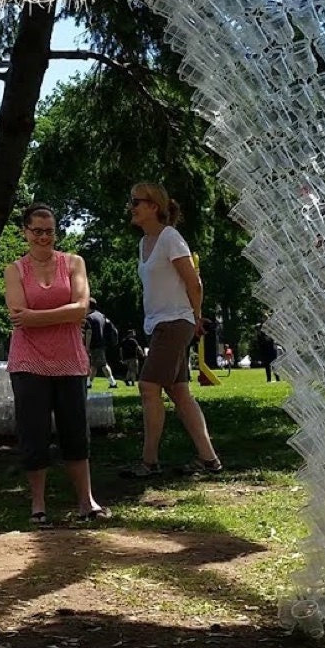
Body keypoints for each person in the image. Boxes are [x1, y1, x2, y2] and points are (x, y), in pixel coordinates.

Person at [3, 204, 108, 527]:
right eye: (37, 231)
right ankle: (38, 504)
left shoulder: (74, 263)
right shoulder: (14, 270)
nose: (44, 237)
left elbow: (81, 309)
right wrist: (59, 314)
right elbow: (18, 314)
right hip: (28, 362)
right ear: (25, 232)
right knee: (33, 433)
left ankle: (86, 500)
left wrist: (38, 317)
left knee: (76, 432)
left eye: (49, 230)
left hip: (70, 360)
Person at [121, 182, 222, 477]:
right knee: (179, 392)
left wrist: (196, 318)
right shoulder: (144, 243)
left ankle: (148, 462)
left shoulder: (170, 238)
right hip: (160, 324)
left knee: (148, 386)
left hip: (175, 323)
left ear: (154, 206)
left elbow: (195, 283)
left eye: (136, 201)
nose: (132, 207)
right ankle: (209, 460)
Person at [84, 298, 124, 391]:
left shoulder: (89, 317)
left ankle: (112, 383)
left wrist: (87, 347)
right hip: (102, 343)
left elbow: (89, 332)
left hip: (95, 344)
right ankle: (88, 383)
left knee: (102, 364)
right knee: (95, 364)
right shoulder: (101, 315)